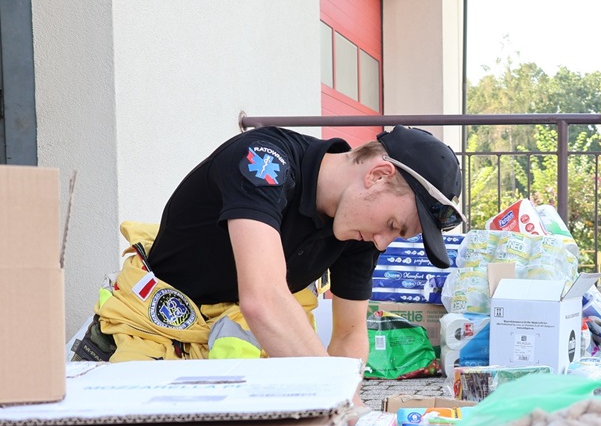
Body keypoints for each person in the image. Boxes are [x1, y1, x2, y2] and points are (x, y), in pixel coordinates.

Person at [73, 125, 463, 378]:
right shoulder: (262, 161)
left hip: (230, 350)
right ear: (378, 175)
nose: (382, 243)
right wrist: (331, 396)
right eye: (394, 226)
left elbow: (348, 333)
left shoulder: (358, 231)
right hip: (149, 333)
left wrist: (350, 404)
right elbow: (263, 299)